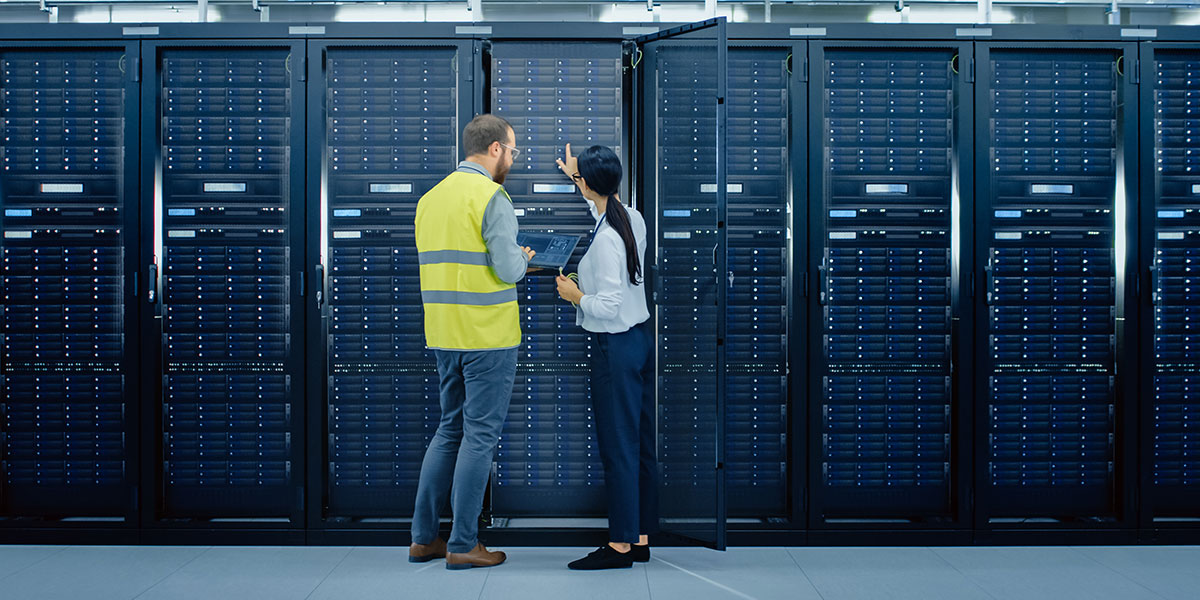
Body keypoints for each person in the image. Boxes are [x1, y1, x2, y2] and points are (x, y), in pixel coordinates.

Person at [409, 114, 535, 570]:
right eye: (513, 151)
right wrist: (523, 259)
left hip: (444, 334)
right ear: (496, 148)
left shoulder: (430, 199)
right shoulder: (491, 196)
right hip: (487, 336)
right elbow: (506, 270)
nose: (513, 160)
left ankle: (424, 539)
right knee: (479, 437)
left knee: (449, 431)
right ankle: (463, 544)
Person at [554, 144, 658, 570]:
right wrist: (575, 175)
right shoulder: (629, 216)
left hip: (615, 347)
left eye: (580, 180)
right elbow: (598, 203)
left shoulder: (608, 238)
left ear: (589, 184)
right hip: (640, 342)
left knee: (618, 448)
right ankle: (641, 536)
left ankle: (619, 547)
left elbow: (609, 305)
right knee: (641, 445)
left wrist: (576, 295)